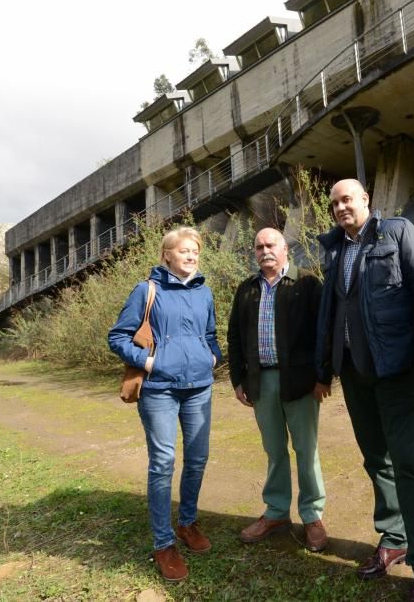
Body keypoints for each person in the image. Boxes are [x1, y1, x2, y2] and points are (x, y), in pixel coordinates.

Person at [314, 179, 414, 602]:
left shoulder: (398, 232)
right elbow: (328, 314)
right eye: (334, 202)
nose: (340, 207)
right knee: (376, 459)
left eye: (347, 199)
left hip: (395, 370)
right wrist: (324, 369)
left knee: (409, 463)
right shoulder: (334, 250)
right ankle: (393, 538)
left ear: (366, 200)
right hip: (354, 373)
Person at [108, 226, 221, 583]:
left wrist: (212, 357)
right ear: (167, 255)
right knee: (162, 463)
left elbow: (210, 334)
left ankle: (187, 523)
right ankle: (163, 542)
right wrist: (148, 363)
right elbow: (118, 336)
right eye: (184, 251)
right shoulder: (147, 290)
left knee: (198, 458)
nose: (191, 257)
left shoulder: (204, 292)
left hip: (199, 387)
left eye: (195, 252)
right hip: (159, 389)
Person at [227, 228, 328, 552]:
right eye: (259, 246)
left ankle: (312, 516)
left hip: (300, 382)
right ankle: (276, 512)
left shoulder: (308, 283)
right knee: (274, 451)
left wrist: (322, 377)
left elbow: (323, 333)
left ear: (285, 248)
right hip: (261, 382)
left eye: (271, 244)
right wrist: (238, 380)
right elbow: (234, 338)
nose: (264, 250)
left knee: (306, 451)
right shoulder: (246, 289)